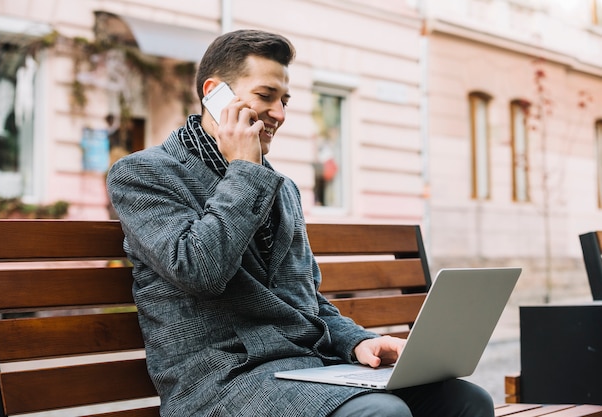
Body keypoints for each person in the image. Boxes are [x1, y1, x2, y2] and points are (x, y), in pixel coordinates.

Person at [106, 29, 494, 417]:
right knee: (380, 412)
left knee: (466, 400)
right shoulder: (144, 173)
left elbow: (306, 300)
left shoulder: (279, 187)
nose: (279, 113)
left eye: (284, 100)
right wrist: (245, 168)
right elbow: (200, 270)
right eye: (265, 96)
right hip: (220, 382)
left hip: (304, 369)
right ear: (214, 93)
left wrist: (358, 342)